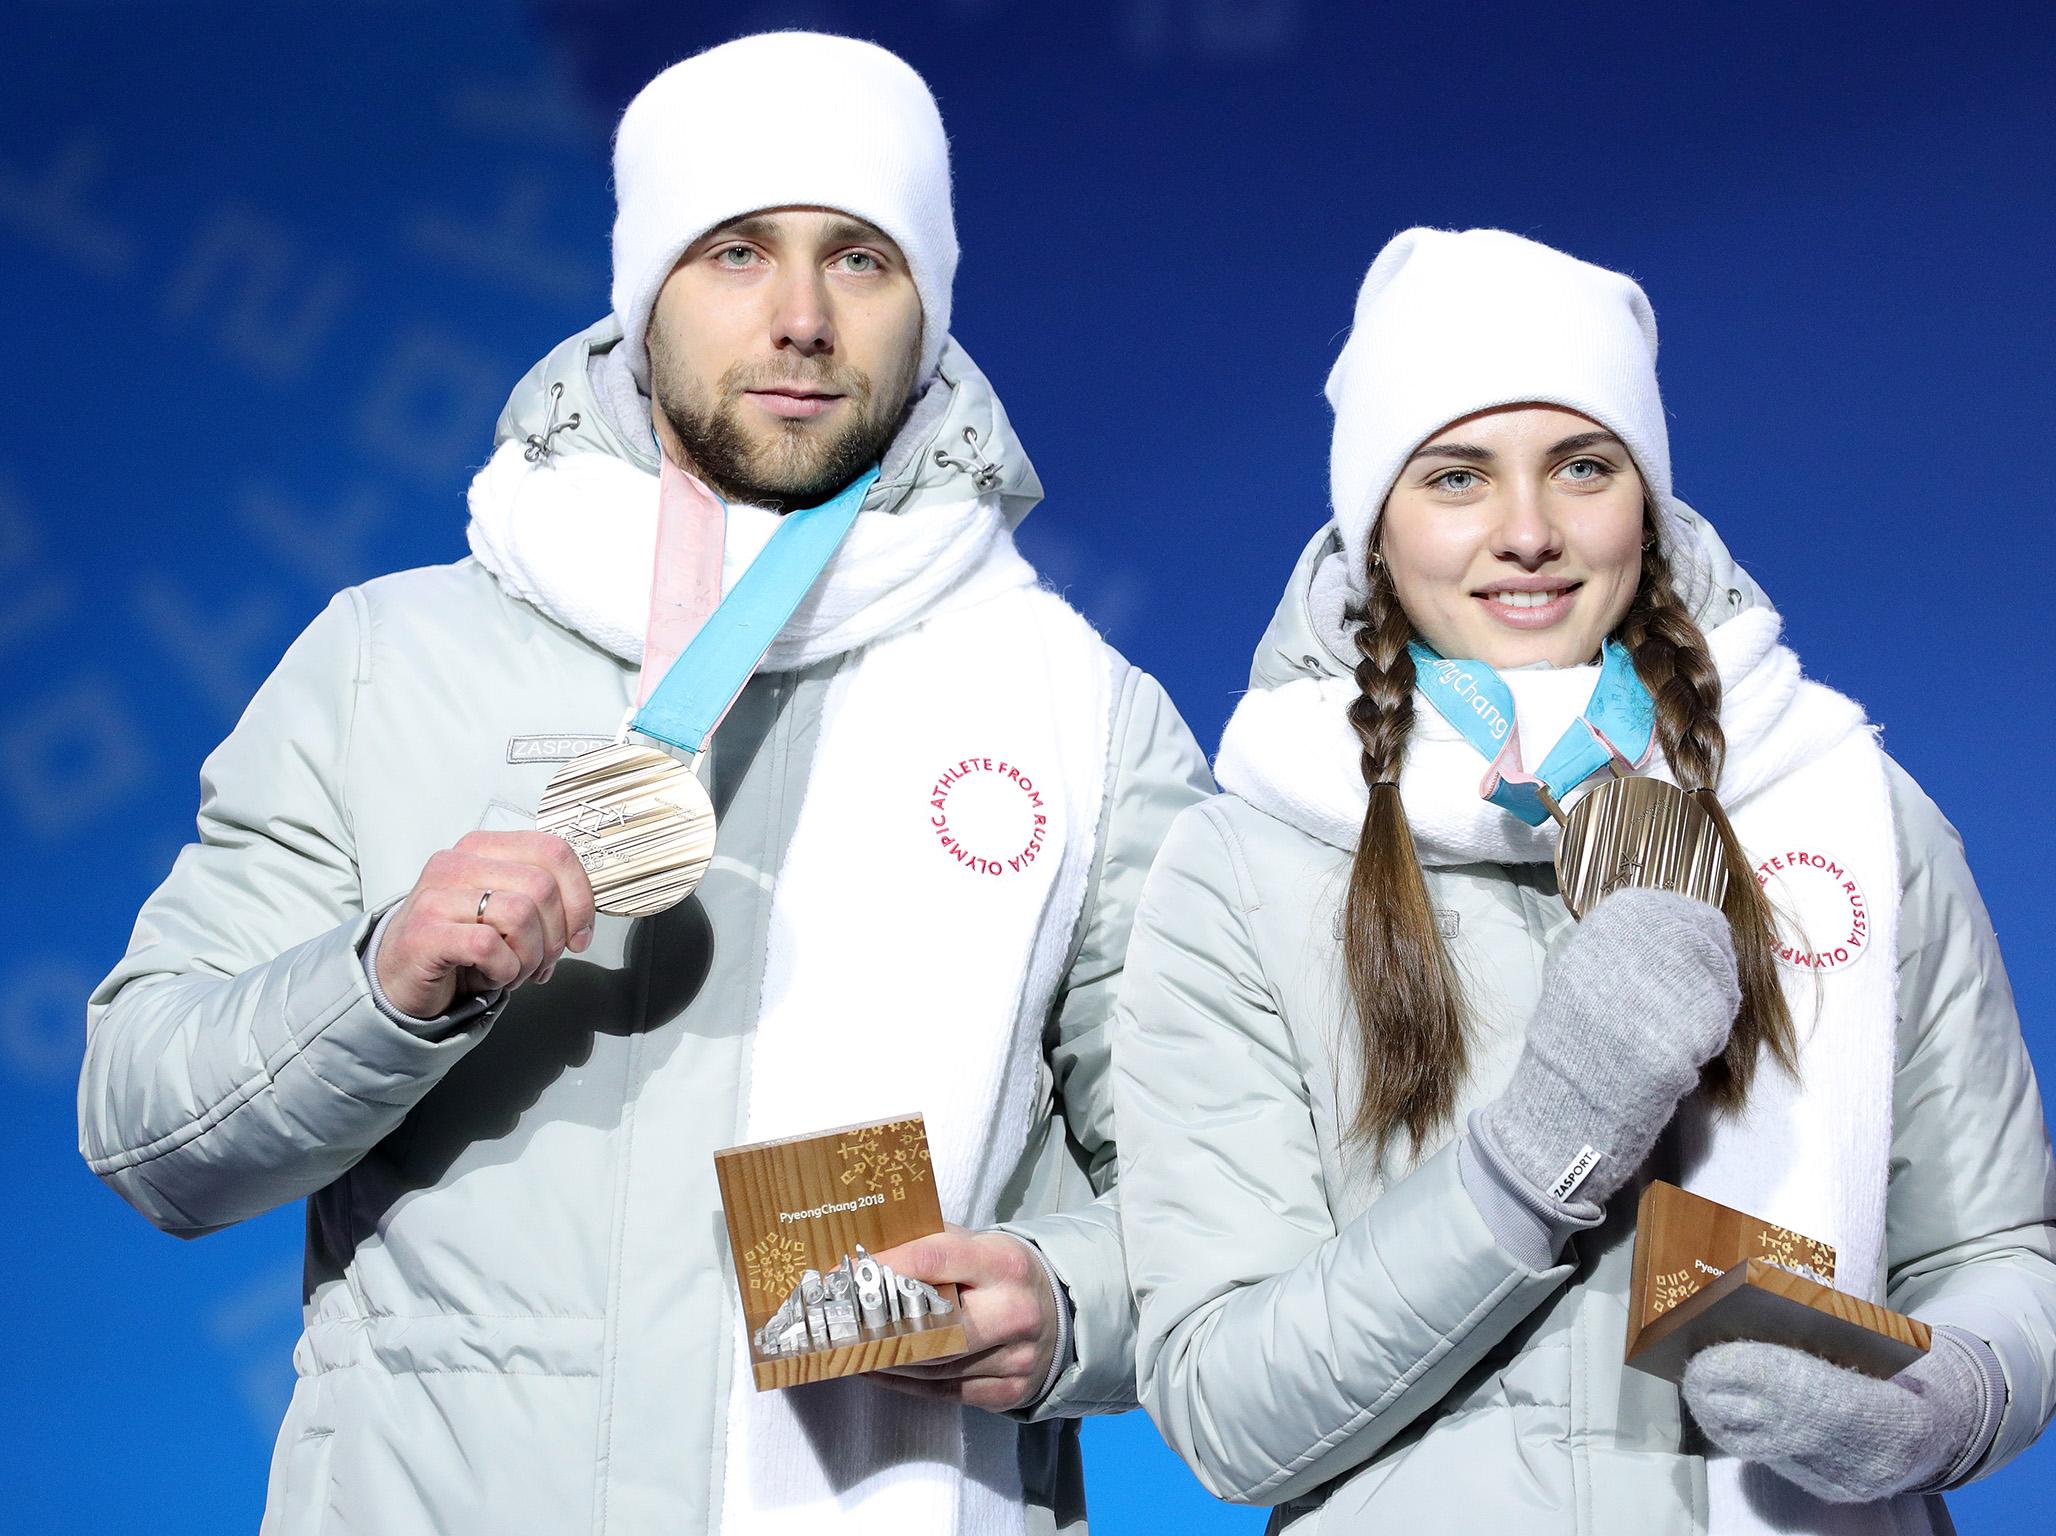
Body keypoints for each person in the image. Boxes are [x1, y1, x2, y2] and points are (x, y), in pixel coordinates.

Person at [79, 32, 1209, 1536]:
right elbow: (150, 1132)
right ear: (644, 294)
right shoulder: (389, 658)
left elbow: (1226, 1202)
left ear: (928, 305)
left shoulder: (1079, 713)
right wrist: (379, 988)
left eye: (860, 260)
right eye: (738, 251)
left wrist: (1071, 1304)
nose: (801, 318)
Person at [1111, 227, 2056, 1533]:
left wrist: (1934, 1399)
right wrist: (1539, 1151)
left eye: (1582, 466)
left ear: (1646, 499)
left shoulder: (1849, 806)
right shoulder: (1244, 868)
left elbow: (1997, 1257)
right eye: (1456, 477)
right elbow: (1225, 1417)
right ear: (1375, 526)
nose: (1530, 533)